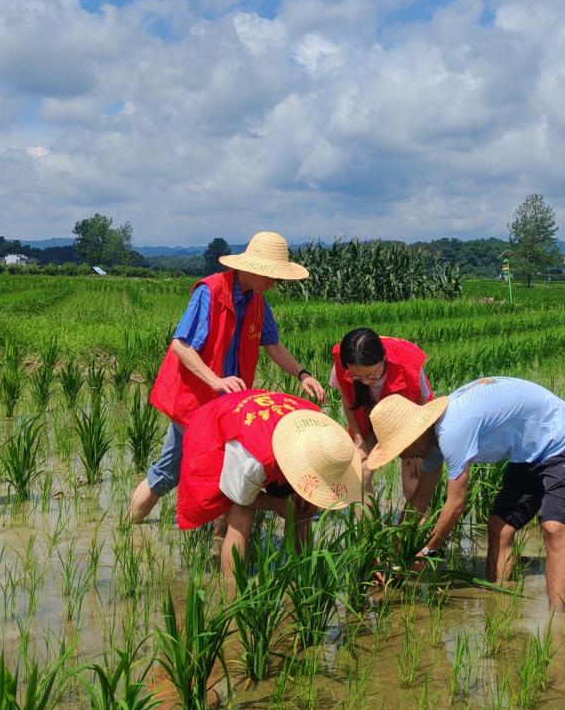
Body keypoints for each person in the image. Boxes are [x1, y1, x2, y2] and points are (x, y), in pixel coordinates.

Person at [128, 231, 325, 523]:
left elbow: (273, 344)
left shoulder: (257, 301)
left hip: (227, 406)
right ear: (252, 268)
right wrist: (215, 380)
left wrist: (302, 374)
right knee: (175, 470)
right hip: (195, 401)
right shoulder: (210, 292)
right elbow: (181, 345)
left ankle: (215, 538)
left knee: (218, 471)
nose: (273, 283)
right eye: (270, 275)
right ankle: (131, 531)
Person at [366, 377, 565, 609]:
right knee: (500, 526)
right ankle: (498, 603)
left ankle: (557, 620)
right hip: (529, 451)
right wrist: (393, 553)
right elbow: (418, 501)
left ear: (414, 436)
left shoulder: (451, 429)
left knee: (554, 527)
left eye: (400, 449)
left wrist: (427, 551)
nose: (402, 457)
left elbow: (455, 504)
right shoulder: (431, 443)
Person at [176, 390, 362, 581]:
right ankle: (231, 588)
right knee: (241, 518)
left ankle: (301, 576)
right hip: (222, 424)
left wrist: (302, 500)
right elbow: (241, 497)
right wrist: (280, 504)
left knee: (304, 508)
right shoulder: (254, 460)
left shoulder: (324, 436)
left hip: (275, 429)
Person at [330, 328, 440, 514]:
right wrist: (358, 440)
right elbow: (347, 398)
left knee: (413, 478)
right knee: (361, 473)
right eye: (357, 377)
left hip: (408, 421)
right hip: (371, 420)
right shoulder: (344, 360)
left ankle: (419, 528)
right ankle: (366, 529)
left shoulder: (408, 364)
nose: (366, 382)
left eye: (372, 374)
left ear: (383, 359)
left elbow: (423, 403)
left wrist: (417, 441)